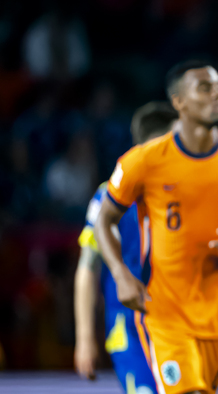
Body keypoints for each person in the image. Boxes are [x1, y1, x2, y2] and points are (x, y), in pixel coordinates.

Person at [95, 60, 218, 394]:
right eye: (205, 88)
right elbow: (103, 220)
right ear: (179, 102)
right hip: (165, 313)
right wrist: (120, 273)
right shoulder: (143, 161)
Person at [74, 101, 178, 393]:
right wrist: (84, 337)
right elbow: (87, 267)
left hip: (179, 326)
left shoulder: (185, 196)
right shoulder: (109, 197)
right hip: (128, 326)